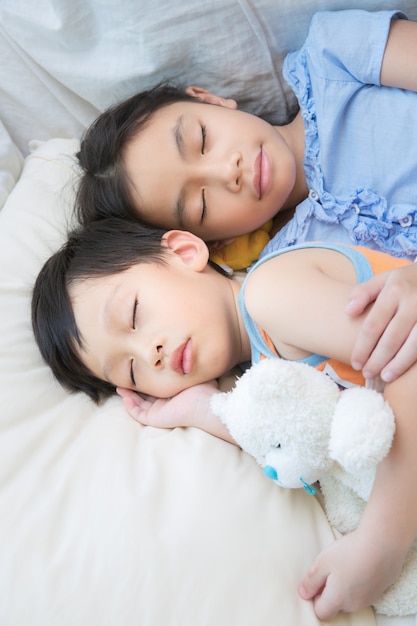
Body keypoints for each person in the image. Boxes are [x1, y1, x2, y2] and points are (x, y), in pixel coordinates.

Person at [31, 216, 417, 621]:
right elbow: (307, 439)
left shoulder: (272, 292)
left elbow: (406, 359)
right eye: (131, 371)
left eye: (134, 314)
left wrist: (381, 542)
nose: (151, 352)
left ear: (184, 252)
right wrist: (203, 410)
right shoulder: (258, 370)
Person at [74, 9, 417, 385]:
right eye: (200, 204)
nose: (227, 171)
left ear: (210, 100)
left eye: (202, 139)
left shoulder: (333, 57)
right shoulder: (292, 274)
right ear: (211, 242)